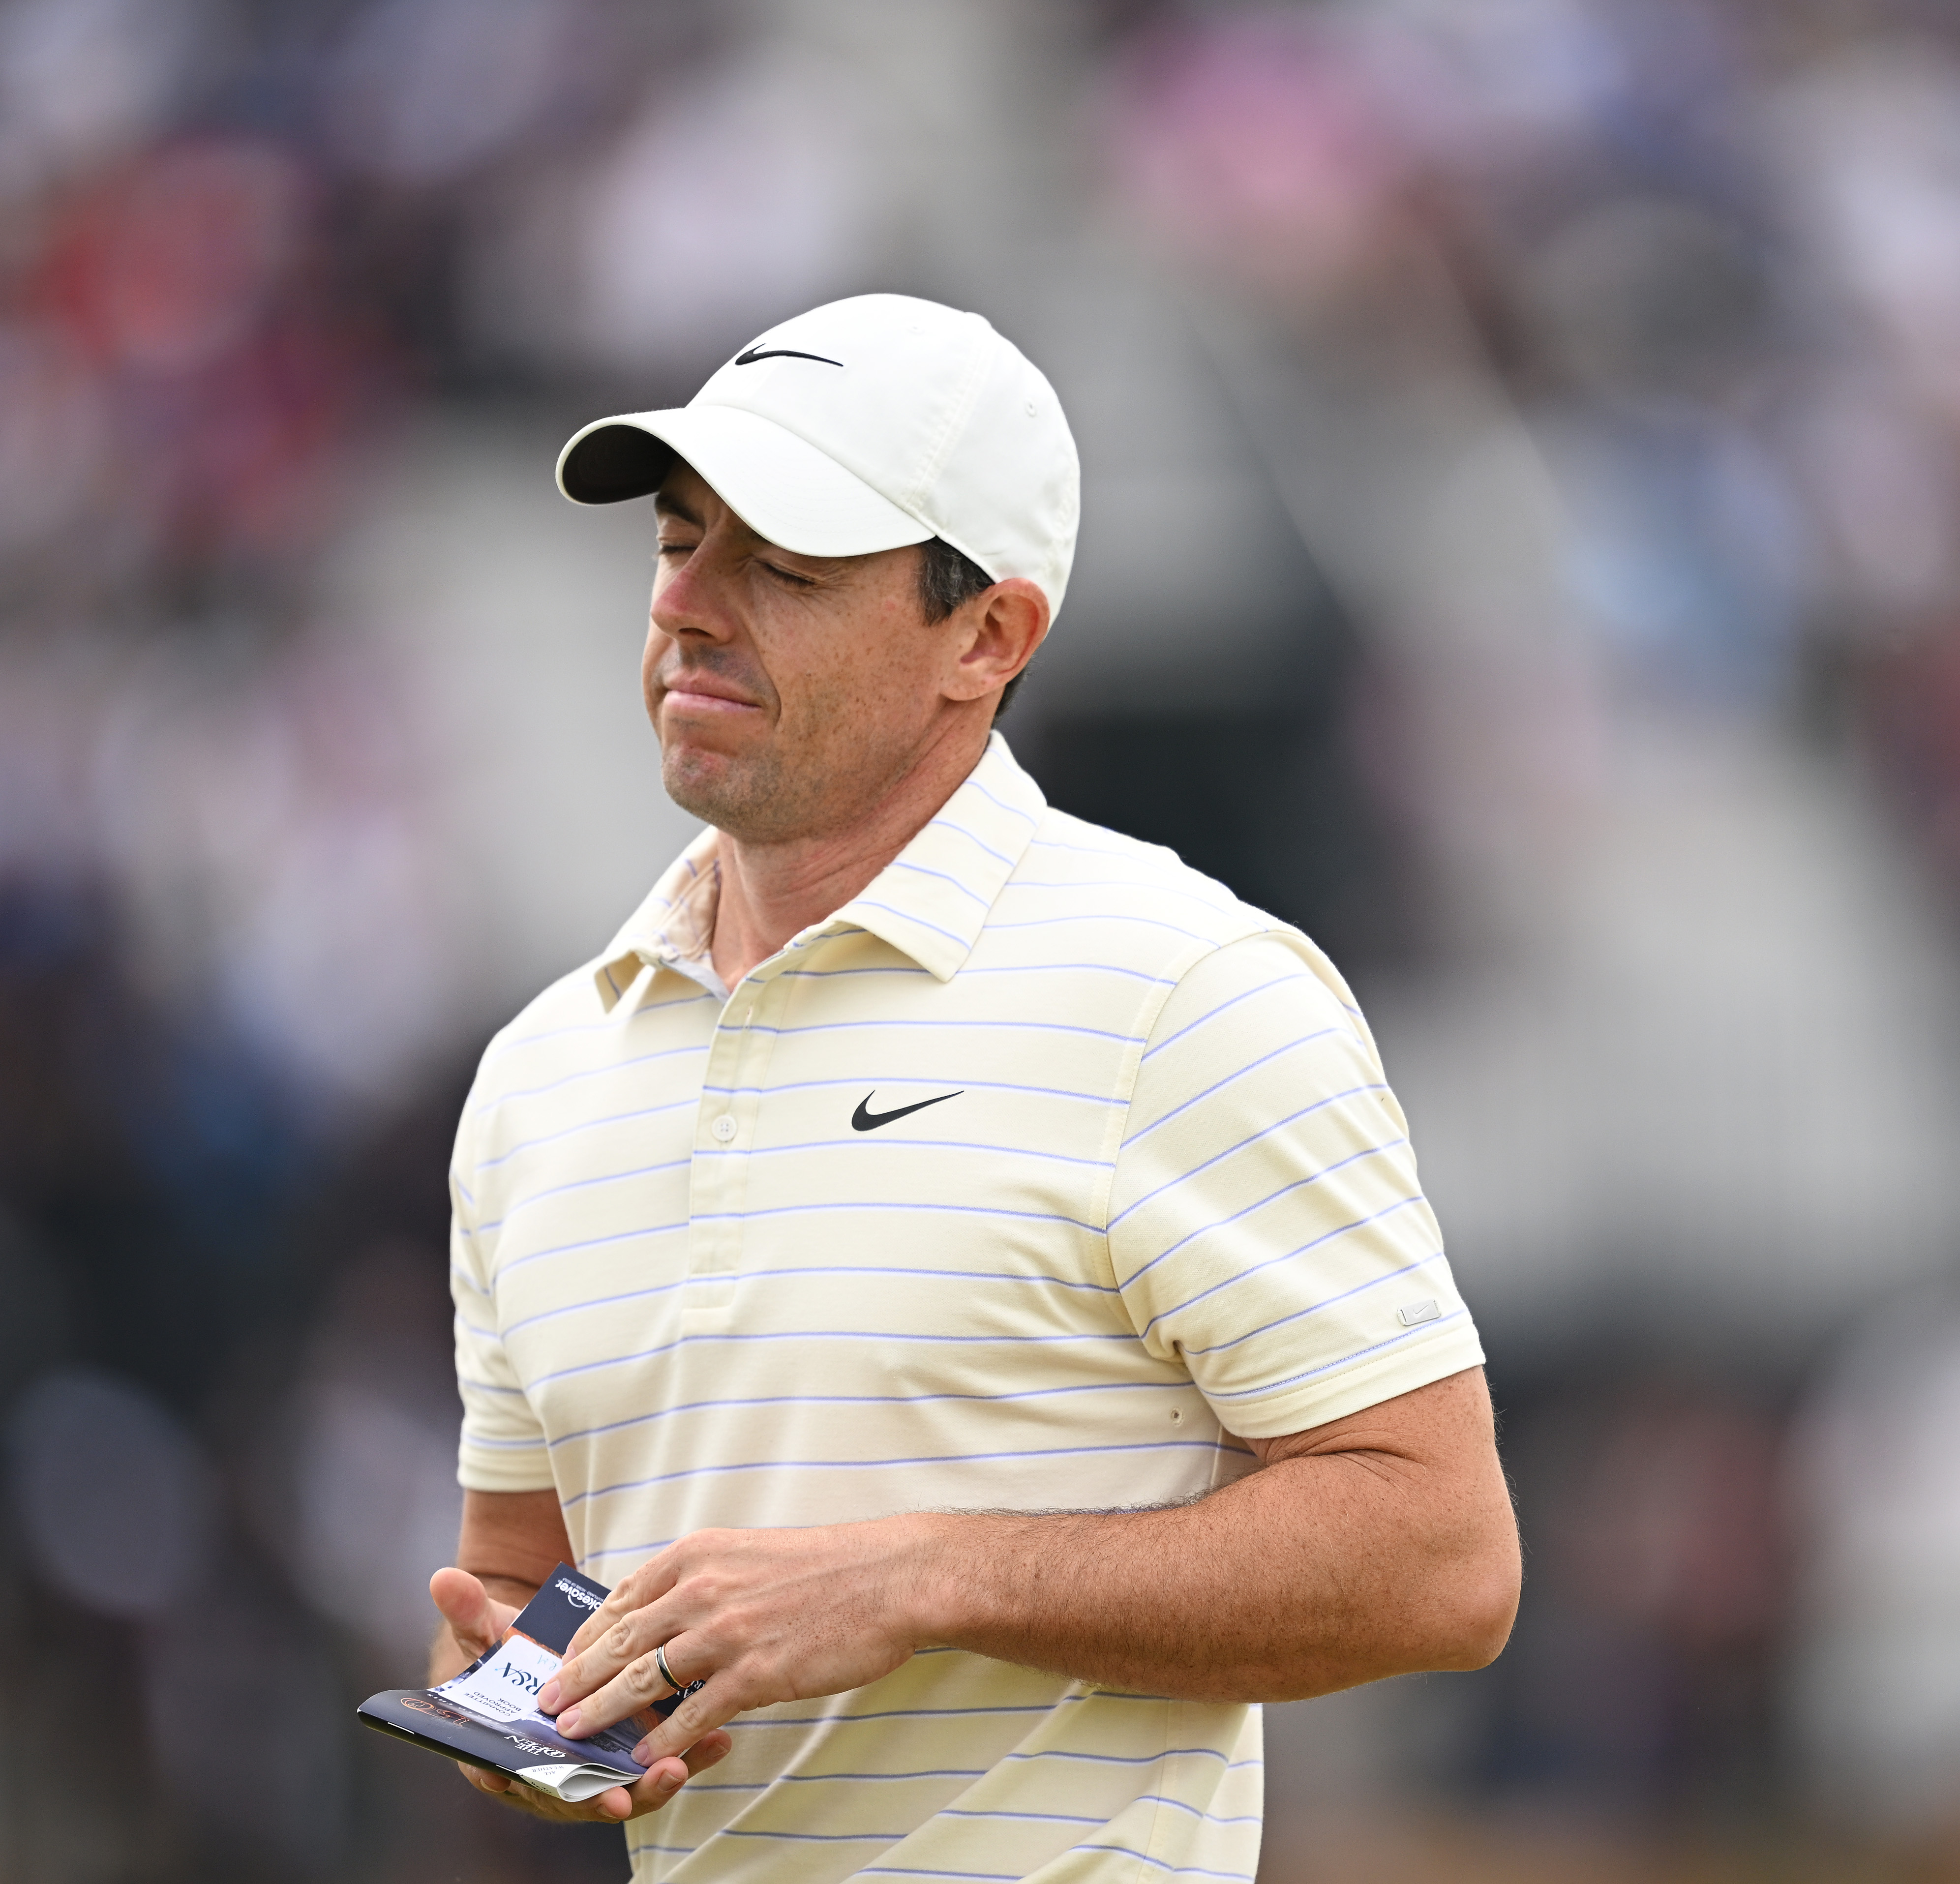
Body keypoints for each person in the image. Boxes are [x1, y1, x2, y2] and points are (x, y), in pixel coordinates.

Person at [426, 293, 1516, 1884]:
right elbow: (520, 1589)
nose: (691, 609)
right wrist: (530, 1723)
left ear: (986, 638)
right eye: (677, 543)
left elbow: (1441, 1560)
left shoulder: (1180, 991)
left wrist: (924, 1578)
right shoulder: (542, 1072)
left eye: (783, 567)